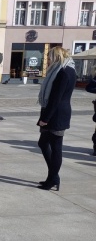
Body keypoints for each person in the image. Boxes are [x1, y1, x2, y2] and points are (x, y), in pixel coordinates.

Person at [36, 46, 76, 191]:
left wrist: (45, 118)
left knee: (56, 146)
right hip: (53, 112)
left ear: (56, 56)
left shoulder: (64, 72)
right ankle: (53, 176)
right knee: (43, 143)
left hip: (57, 114)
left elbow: (56, 98)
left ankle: (53, 178)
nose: (48, 59)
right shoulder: (61, 70)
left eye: (50, 56)